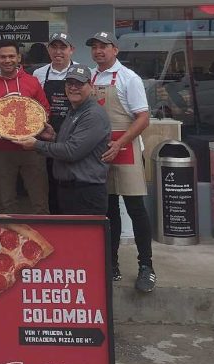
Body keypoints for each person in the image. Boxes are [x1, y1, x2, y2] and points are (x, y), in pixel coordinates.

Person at [87, 31, 155, 292]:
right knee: (108, 209)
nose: (98, 51)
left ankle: (146, 267)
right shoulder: (90, 76)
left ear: (115, 50)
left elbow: (142, 118)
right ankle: (110, 263)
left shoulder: (129, 78)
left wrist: (120, 143)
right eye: (94, 47)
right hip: (99, 151)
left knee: (136, 208)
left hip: (124, 149)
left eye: (104, 46)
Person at [15, 65, 110, 215]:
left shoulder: (92, 115)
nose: (73, 88)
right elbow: (70, 143)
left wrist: (37, 145)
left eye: (79, 84)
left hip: (86, 193)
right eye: (70, 83)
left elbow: (72, 151)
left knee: (84, 238)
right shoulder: (74, 110)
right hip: (69, 191)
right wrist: (54, 138)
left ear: (90, 86)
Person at [0, 40, 50, 215]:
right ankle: (8, 239)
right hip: (1, 150)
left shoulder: (32, 82)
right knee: (6, 200)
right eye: (3, 57)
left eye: (11, 56)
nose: (7, 60)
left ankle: (42, 236)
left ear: (18, 57)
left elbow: (44, 110)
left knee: (39, 199)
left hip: (32, 147)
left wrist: (36, 128)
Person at [33, 32, 77, 214]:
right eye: (54, 47)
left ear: (71, 50)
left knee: (71, 183)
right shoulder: (39, 73)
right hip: (47, 137)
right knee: (49, 184)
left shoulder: (81, 71)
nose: (58, 52)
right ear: (48, 50)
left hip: (74, 138)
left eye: (63, 47)